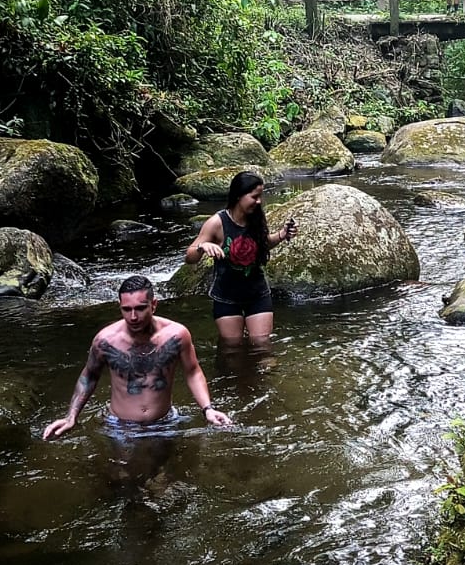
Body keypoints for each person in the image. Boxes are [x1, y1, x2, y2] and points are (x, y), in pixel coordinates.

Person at [42, 273, 233, 434]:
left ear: (154, 304)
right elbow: (89, 376)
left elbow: (192, 372)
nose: (133, 317)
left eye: (140, 308)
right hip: (120, 426)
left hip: (165, 422)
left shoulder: (176, 334)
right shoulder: (106, 340)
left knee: (168, 475)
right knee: (124, 477)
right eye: (126, 309)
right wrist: (71, 416)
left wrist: (207, 409)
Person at [184, 169, 297, 342]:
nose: (259, 201)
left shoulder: (256, 217)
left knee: (262, 346)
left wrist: (281, 235)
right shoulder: (217, 222)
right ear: (239, 195)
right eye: (254, 196)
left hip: (257, 293)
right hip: (226, 296)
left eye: (260, 196)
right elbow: (189, 257)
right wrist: (202, 246)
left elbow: (262, 244)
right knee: (233, 349)